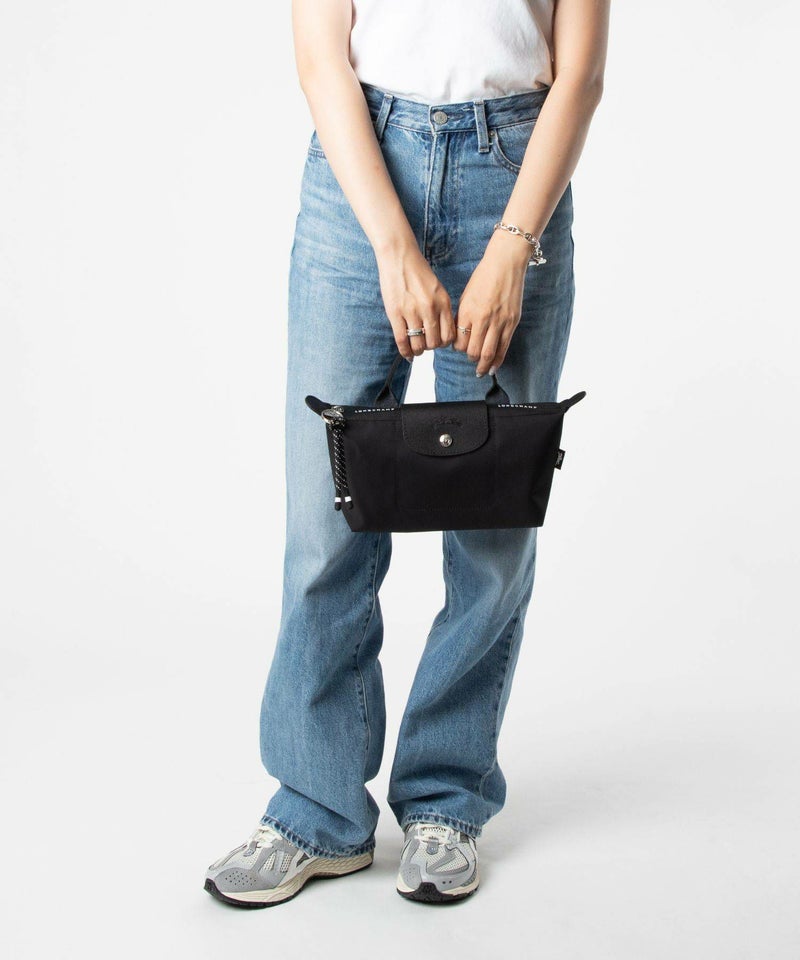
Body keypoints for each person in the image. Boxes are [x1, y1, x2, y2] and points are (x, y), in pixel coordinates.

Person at [204, 0, 609, 907]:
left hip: (517, 175)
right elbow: (322, 59)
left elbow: (579, 72)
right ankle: (315, 812)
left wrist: (513, 248)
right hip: (359, 166)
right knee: (326, 522)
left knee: (491, 524)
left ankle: (446, 800)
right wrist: (391, 244)